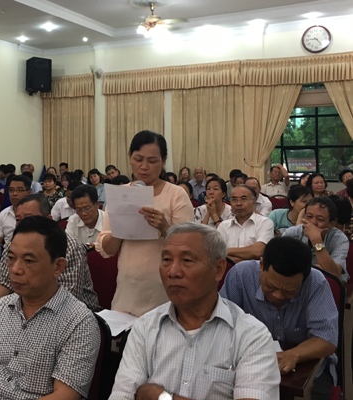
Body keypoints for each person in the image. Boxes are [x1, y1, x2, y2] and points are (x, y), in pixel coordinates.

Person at [109, 222, 280, 399]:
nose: (173, 272)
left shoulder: (251, 336)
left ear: (218, 269)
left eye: (187, 261)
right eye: (166, 260)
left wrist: (161, 397)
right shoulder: (145, 328)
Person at [0, 216, 100, 399]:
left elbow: (66, 395)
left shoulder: (79, 322)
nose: (15, 269)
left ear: (58, 267)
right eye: (11, 258)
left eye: (28, 261)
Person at [220, 237, 338, 400]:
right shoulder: (241, 275)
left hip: (307, 366)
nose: (278, 295)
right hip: (247, 363)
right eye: (271, 286)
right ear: (261, 265)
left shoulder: (316, 283)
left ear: (304, 278)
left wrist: (294, 354)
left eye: (289, 291)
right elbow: (221, 326)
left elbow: (326, 339)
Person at [96, 130, 194, 317]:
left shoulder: (176, 195)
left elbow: (189, 245)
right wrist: (121, 228)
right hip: (128, 289)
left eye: (152, 161)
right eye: (138, 159)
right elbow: (107, 250)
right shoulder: (120, 195)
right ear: (130, 157)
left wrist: (164, 227)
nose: (144, 166)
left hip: (165, 288)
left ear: (163, 161)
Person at [0, 194, 100, 311]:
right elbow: (3, 284)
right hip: (21, 306)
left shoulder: (71, 247)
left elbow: (66, 298)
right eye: (18, 220)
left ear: (49, 220)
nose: (23, 225)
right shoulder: (13, 244)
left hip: (74, 311)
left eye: (29, 219)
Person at [283, 197, 349, 282]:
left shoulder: (340, 238)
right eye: (309, 216)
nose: (313, 222)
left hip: (329, 284)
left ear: (332, 223)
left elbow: (333, 273)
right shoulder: (292, 234)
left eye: (320, 219)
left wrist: (316, 240)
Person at [217, 185, 274, 263]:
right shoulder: (224, 225)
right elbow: (216, 253)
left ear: (254, 201)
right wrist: (245, 257)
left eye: (244, 199)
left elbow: (258, 251)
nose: (238, 203)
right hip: (228, 269)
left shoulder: (264, 222)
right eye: (234, 199)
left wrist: (226, 251)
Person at [0, 175, 32, 246]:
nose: (14, 194)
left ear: (29, 193)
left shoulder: (35, 213)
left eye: (20, 190)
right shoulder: (4, 213)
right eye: (11, 190)